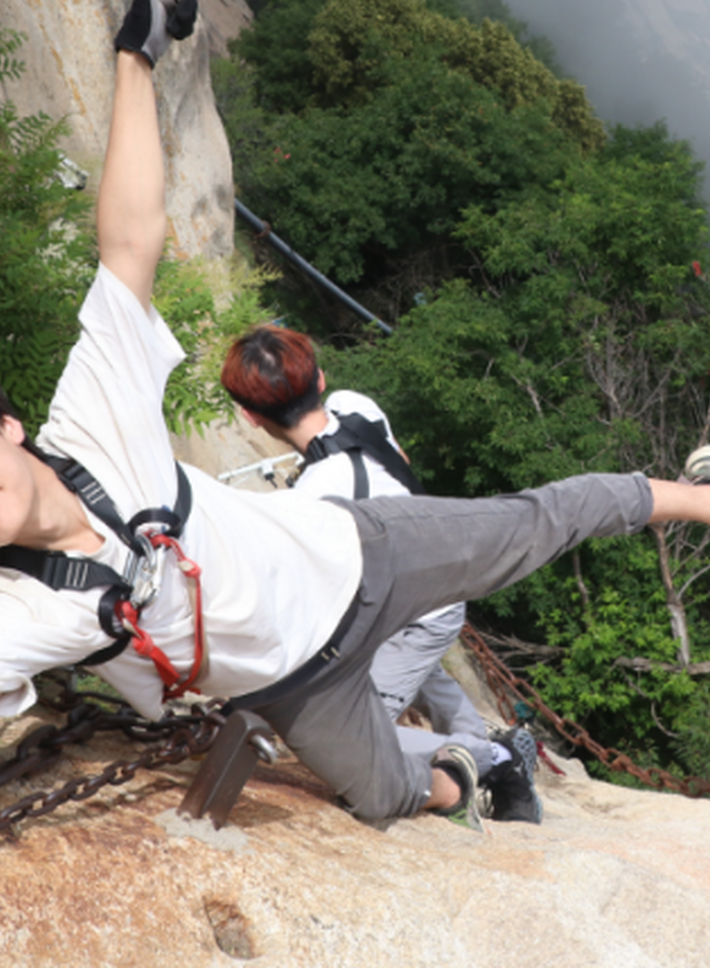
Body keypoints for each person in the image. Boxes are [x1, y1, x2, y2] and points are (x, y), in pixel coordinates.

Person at [0, 0, 710, 894]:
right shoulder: (7, 603)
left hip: (362, 552)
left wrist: (134, 62)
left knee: (537, 522)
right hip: (289, 682)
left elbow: (126, 239)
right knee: (387, 796)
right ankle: (479, 764)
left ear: (6, 425)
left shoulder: (93, 411)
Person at [220, 329, 543, 823]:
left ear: (250, 416)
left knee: (364, 730)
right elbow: (402, 471)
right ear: (321, 379)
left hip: (414, 607)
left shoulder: (307, 503)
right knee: (407, 654)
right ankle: (482, 738)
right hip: (436, 574)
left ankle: (498, 760)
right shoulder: (358, 407)